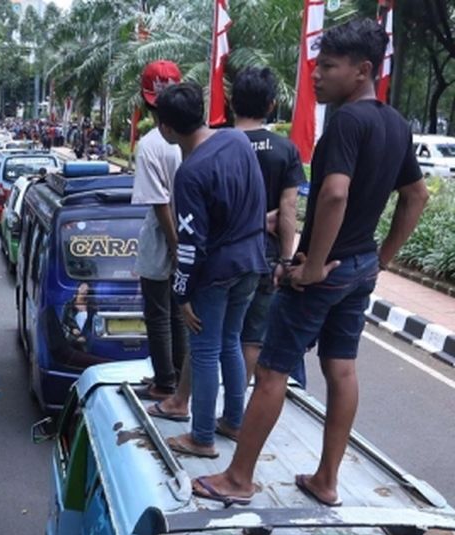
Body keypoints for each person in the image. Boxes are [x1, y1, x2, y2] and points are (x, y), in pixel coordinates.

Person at [196, 19, 429, 506]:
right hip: (361, 265)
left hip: (328, 269)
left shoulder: (347, 121)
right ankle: (327, 480)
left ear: (363, 71)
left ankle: (238, 479)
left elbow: (335, 194)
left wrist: (314, 264)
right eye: (316, 64)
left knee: (273, 370)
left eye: (328, 66)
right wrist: (380, 258)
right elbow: (416, 196)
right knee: (341, 369)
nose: (317, 75)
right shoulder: (394, 122)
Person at [155, 83, 265, 459]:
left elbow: (190, 244)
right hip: (252, 262)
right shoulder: (237, 141)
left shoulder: (190, 173)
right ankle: (234, 421)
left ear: (166, 128)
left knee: (203, 349)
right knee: (231, 340)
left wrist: (182, 293)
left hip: (216, 272)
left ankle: (201, 437)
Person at [230, 67, 307, 384]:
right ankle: (235, 406)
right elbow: (289, 208)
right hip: (266, 253)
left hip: (224, 254)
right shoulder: (285, 149)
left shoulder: (216, 143)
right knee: (252, 337)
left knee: (216, 334)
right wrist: (286, 260)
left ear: (231, 102)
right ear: (271, 105)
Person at [131, 61, 188, 402]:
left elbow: (160, 202)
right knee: (180, 312)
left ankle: (165, 382)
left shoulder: (151, 144)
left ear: (145, 97)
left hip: (163, 239)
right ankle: (178, 378)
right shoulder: (194, 135)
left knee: (158, 315)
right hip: (192, 236)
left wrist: (174, 244)